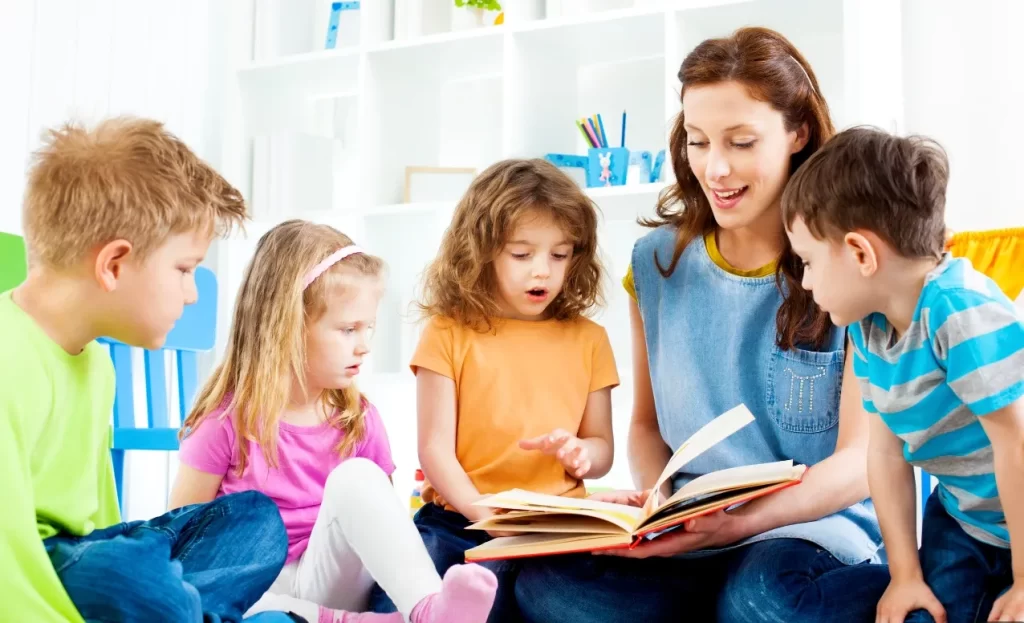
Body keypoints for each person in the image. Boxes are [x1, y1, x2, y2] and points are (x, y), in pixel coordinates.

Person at [514, 27, 889, 623]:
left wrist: (738, 525)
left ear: (799, 133)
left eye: (741, 142)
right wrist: (659, 499)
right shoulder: (656, 263)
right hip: (691, 529)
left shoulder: (849, 266)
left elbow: (858, 461)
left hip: (812, 528)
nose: (715, 168)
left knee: (760, 600)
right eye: (697, 141)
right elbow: (645, 427)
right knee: (550, 588)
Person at [0, 116, 290, 622]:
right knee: (129, 574)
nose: (192, 292)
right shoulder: (9, 358)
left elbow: (102, 520)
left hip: (91, 559)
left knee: (257, 521)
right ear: (114, 264)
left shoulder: (96, 364)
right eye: (184, 268)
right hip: (34, 572)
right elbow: (8, 550)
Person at [169, 220, 498, 623]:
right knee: (199, 591)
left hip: (331, 580)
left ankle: (429, 610)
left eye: (368, 328)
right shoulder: (225, 422)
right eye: (347, 329)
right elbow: (182, 540)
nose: (364, 345)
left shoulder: (358, 420)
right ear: (286, 327)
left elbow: (381, 531)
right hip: (256, 589)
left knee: (358, 476)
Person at [783, 126, 1024, 623]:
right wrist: (904, 575)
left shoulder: (958, 310)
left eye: (807, 262)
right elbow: (886, 452)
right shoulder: (867, 331)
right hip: (964, 519)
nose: (804, 281)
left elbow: (1016, 444)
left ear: (860, 254)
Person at [376, 158, 618, 621]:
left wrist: (583, 454)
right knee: (400, 604)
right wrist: (485, 514)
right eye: (522, 255)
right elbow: (434, 449)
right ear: (481, 250)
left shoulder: (589, 339)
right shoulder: (447, 332)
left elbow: (602, 447)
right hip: (461, 521)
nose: (542, 272)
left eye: (560, 255)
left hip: (556, 528)